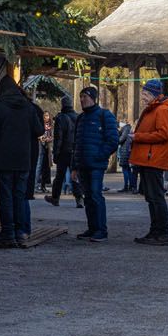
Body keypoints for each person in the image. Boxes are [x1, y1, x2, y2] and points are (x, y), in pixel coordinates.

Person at [0, 74, 44, 248]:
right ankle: (20, 232)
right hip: (23, 159)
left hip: (4, 158)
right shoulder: (28, 107)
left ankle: (7, 233)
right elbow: (39, 130)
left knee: (6, 197)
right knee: (19, 196)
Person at [130, 78, 168, 246]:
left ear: (154, 94)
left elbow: (163, 134)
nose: (142, 96)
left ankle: (162, 233)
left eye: (145, 93)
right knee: (152, 197)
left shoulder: (162, 109)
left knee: (156, 197)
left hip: (154, 158)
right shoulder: (155, 108)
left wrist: (138, 137)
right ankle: (155, 231)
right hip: (149, 158)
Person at [72, 86, 117, 242]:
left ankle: (101, 230)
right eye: (81, 97)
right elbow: (76, 144)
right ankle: (92, 228)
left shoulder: (104, 115)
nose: (82, 100)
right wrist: (74, 166)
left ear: (93, 98)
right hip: (82, 164)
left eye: (85, 96)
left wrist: (100, 156)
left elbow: (113, 140)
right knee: (88, 197)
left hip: (96, 165)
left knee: (96, 195)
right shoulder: (80, 118)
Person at [46, 94, 82, 208]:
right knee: (74, 175)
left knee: (59, 176)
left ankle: (55, 198)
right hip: (75, 151)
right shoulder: (78, 117)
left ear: (62, 105)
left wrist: (55, 153)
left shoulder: (61, 118)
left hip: (63, 152)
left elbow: (58, 138)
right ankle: (79, 199)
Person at [115, 121, 137, 193]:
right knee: (128, 170)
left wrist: (116, 139)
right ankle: (131, 186)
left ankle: (126, 186)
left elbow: (121, 139)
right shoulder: (128, 128)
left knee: (125, 169)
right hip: (127, 151)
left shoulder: (126, 129)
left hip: (125, 152)